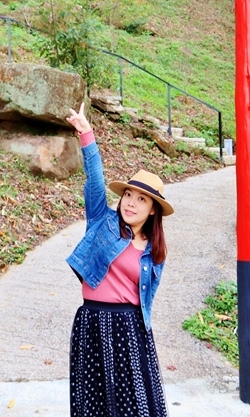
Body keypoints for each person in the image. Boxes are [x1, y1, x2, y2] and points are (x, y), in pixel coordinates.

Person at [64, 102, 172, 417]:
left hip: (130, 329)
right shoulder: (104, 223)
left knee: (134, 407)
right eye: (128, 195)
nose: (131, 203)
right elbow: (95, 181)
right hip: (92, 322)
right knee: (94, 405)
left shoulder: (155, 251)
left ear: (153, 209)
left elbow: (145, 300)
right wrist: (87, 134)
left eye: (142, 200)